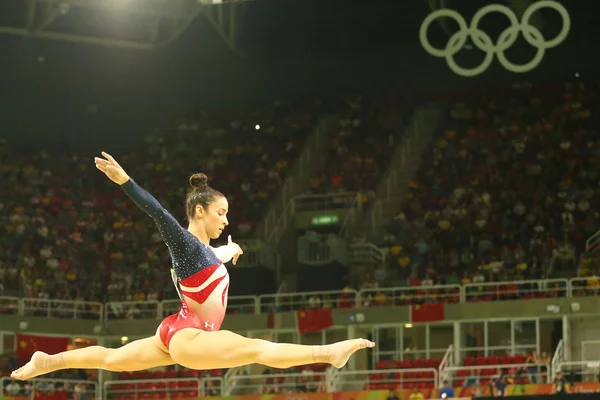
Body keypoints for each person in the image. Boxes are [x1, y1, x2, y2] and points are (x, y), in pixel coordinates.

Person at [11, 152, 374, 380]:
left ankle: (48, 361)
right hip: (190, 335)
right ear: (199, 211)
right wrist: (127, 183)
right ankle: (329, 353)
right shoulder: (185, 243)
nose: (226, 220)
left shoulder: (200, 251)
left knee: (111, 358)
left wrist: (228, 251)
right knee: (257, 349)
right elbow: (158, 213)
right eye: (221, 213)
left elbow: (210, 258)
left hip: (176, 329)